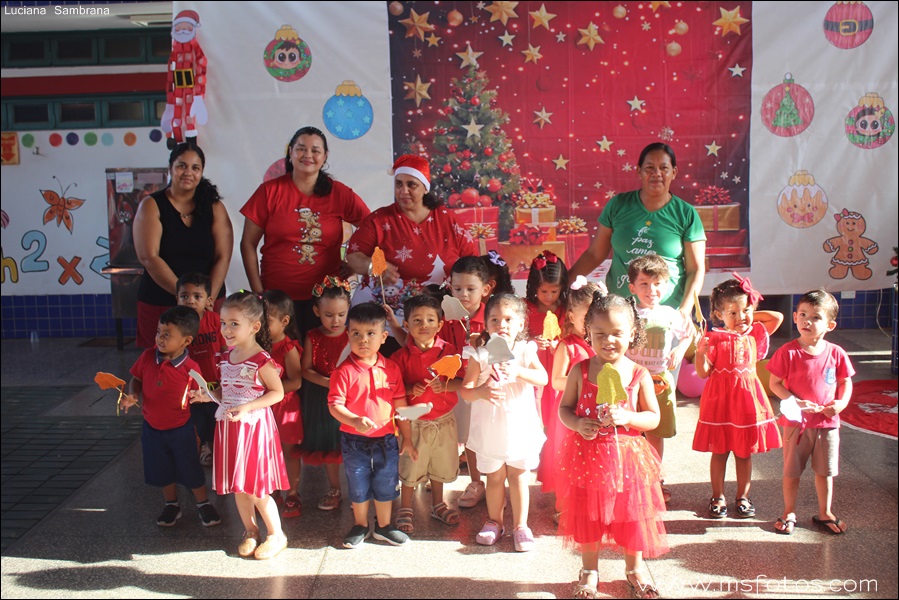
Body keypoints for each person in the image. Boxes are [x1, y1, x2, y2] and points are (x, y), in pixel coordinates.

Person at [556, 293, 667, 600]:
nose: (608, 340)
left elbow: (653, 418)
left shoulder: (639, 373)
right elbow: (564, 409)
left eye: (617, 333)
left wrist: (628, 417)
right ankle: (589, 570)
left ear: (632, 333)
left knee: (632, 516)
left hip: (627, 460)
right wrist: (578, 423)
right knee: (588, 517)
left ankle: (634, 569)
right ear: (588, 332)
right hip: (588, 458)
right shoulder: (580, 371)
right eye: (600, 333)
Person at [240, 126, 370, 335]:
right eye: (301, 149)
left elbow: (371, 228)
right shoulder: (269, 192)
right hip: (277, 299)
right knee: (281, 354)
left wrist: (354, 264)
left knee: (320, 355)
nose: (308, 155)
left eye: (315, 150)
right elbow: (248, 243)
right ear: (290, 152)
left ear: (325, 156)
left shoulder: (339, 193)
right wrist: (259, 294)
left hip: (326, 301)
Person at [192, 291, 289, 560]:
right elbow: (226, 391)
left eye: (234, 323)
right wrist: (207, 395)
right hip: (231, 428)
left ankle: (276, 534)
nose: (226, 329)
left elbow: (277, 393)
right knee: (239, 486)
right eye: (223, 323)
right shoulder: (225, 357)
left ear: (254, 327)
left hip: (254, 430)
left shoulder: (261, 360)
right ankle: (250, 530)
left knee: (256, 488)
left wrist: (247, 407)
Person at [568, 142, 706, 320]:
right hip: (619, 313)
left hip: (668, 314)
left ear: (674, 172)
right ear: (639, 171)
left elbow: (696, 269)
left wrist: (684, 312)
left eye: (664, 168)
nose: (656, 173)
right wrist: (565, 282)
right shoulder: (618, 205)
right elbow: (595, 254)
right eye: (649, 168)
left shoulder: (686, 214)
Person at [346, 154, 478, 326]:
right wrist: (374, 266)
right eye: (399, 184)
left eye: (411, 185)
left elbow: (473, 264)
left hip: (437, 316)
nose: (403, 191)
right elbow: (353, 256)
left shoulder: (448, 219)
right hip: (385, 316)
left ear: (425, 187)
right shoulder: (379, 220)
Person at [120, 306, 221, 529]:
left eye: (167, 334)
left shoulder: (191, 367)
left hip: (181, 429)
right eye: (158, 332)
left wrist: (200, 396)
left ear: (186, 341)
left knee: (190, 467)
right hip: (152, 428)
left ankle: (203, 503)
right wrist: (133, 394)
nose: (160, 338)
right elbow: (136, 378)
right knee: (162, 468)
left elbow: (200, 393)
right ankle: (171, 505)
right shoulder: (147, 356)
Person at [692, 276, 784, 520]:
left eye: (746, 310)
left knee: (744, 452)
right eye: (732, 312)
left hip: (747, 402)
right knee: (720, 452)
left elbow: (777, 317)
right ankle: (717, 496)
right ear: (718, 314)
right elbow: (703, 373)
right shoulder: (713, 338)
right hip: (720, 402)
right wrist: (700, 353)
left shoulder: (755, 333)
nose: (741, 317)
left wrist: (746, 310)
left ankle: (743, 497)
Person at [461, 293, 547, 551]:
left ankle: (521, 526)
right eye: (495, 320)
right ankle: (495, 522)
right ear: (486, 325)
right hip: (491, 427)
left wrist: (519, 371)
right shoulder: (480, 355)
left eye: (509, 319)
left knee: (519, 475)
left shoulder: (524, 351)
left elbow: (543, 378)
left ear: (521, 324)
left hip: (519, 425)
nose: (502, 325)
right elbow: (465, 391)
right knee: (495, 477)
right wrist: (481, 391)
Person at [767, 289, 854, 535]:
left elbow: (845, 382)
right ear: (795, 317)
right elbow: (774, 384)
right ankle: (788, 511)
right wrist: (794, 401)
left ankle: (825, 512)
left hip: (827, 424)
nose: (807, 321)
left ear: (830, 325)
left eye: (816, 317)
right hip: (796, 423)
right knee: (791, 470)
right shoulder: (788, 352)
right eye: (803, 315)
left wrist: (841, 403)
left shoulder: (836, 353)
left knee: (825, 472)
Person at [328, 302, 412, 548]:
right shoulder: (343, 372)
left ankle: (384, 526)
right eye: (356, 333)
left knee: (386, 483)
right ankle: (360, 525)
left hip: (386, 439)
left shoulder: (392, 369)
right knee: (358, 483)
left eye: (370, 333)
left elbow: (401, 406)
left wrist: (407, 437)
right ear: (348, 335)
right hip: (355, 441)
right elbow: (334, 406)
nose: (363, 340)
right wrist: (354, 420)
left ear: (384, 337)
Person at [134, 142, 233, 348]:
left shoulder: (214, 207)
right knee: (161, 362)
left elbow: (223, 257)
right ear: (170, 168)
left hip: (208, 303)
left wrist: (206, 300)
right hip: (161, 301)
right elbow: (149, 257)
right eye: (182, 166)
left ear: (201, 172)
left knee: (211, 360)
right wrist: (186, 298)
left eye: (195, 168)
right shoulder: (151, 205)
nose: (188, 172)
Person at [391, 294, 463, 534]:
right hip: (414, 423)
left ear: (440, 324)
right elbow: (393, 389)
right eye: (417, 320)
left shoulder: (449, 352)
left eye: (430, 320)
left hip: (443, 420)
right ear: (406, 324)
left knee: (440, 464)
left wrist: (446, 386)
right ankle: (405, 506)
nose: (424, 325)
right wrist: (410, 388)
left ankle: (438, 503)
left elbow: (461, 381)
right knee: (411, 465)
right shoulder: (400, 357)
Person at [625, 255, 693, 504]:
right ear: (632, 287)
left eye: (657, 284)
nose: (651, 290)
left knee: (655, 433)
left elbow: (688, 334)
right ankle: (630, 480)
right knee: (630, 432)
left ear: (667, 286)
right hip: (631, 382)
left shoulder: (671, 314)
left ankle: (654, 480)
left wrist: (680, 350)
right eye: (644, 284)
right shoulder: (627, 312)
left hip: (659, 382)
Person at [538, 276, 600, 507]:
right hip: (569, 411)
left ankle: (587, 501)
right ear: (572, 316)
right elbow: (556, 380)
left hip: (594, 410)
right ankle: (563, 506)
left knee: (591, 455)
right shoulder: (568, 346)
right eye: (587, 317)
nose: (592, 323)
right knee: (567, 456)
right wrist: (584, 382)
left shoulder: (601, 345)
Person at [440, 257, 491, 509]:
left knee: (491, 435)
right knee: (469, 435)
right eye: (458, 288)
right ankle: (476, 482)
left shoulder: (493, 317)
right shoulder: (447, 319)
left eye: (471, 288)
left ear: (485, 289)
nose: (464, 294)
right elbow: (441, 350)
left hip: (489, 386)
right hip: (461, 385)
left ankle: (496, 483)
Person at [299, 276, 352, 511]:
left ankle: (360, 488)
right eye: (329, 315)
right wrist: (328, 382)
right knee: (331, 444)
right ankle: (334, 488)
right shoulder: (313, 336)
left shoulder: (353, 334)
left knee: (354, 442)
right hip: (323, 398)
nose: (336, 320)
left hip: (351, 397)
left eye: (341, 314)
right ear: (316, 311)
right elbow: (305, 370)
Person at [176, 272, 225, 467]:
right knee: (193, 427)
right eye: (184, 296)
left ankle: (215, 456)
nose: (190, 301)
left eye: (197, 296)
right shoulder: (174, 325)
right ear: (177, 299)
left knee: (213, 424)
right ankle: (193, 460)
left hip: (214, 387)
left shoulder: (215, 320)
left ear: (209, 300)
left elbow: (225, 350)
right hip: (187, 389)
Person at [262, 290, 304, 519]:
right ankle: (274, 489)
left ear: (284, 321)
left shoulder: (288, 348)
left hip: (285, 407)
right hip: (264, 408)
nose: (260, 325)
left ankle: (293, 493)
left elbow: (296, 381)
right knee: (267, 451)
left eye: (266, 321)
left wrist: (270, 391)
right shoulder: (257, 346)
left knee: (289, 452)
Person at [524, 250, 568, 443]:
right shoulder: (525, 309)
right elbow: (517, 336)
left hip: (558, 366)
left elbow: (571, 336)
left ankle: (555, 443)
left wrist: (558, 343)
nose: (549, 296)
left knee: (556, 405)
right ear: (534, 287)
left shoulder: (565, 310)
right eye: (543, 291)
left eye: (554, 291)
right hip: (535, 366)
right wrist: (531, 341)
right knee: (535, 408)